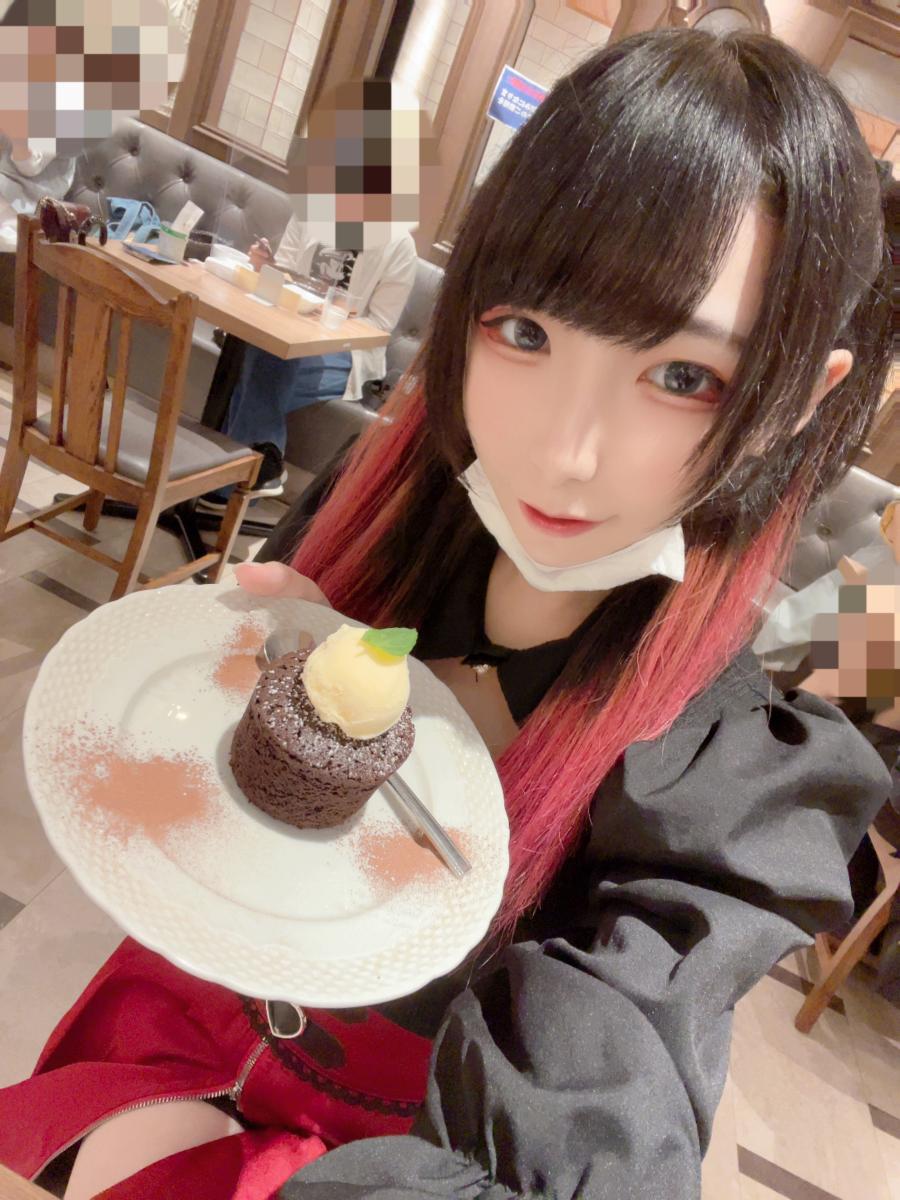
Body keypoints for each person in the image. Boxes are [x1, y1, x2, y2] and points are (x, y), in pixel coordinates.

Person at [0, 28, 894, 1200]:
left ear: (796, 402)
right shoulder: (371, 526)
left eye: (684, 378)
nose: (566, 451)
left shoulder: (716, 782)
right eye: (526, 332)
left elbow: (590, 1137)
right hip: (179, 1025)